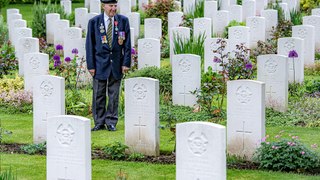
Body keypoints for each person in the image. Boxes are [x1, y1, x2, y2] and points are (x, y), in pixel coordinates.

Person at [86, 0, 131, 131]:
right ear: (103, 6)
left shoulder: (123, 21)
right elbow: (89, 45)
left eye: (115, 5)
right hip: (99, 64)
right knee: (98, 94)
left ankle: (111, 121)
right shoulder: (94, 22)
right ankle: (99, 121)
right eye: (111, 6)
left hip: (116, 64)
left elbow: (127, 45)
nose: (113, 8)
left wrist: (126, 63)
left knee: (114, 95)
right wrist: (91, 66)